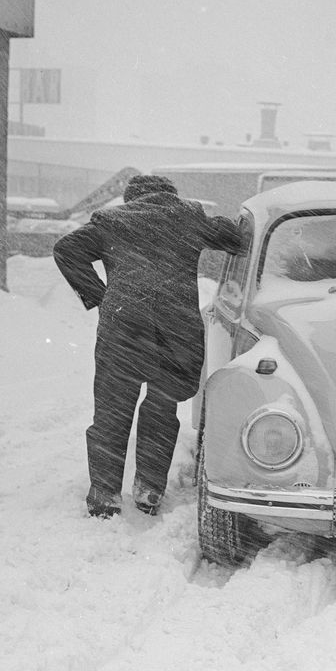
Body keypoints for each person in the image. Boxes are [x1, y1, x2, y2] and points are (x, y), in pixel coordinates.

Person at [53, 174, 244, 518]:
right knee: (161, 405)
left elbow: (65, 250)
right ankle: (149, 488)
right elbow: (234, 238)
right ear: (171, 196)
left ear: (131, 198)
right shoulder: (188, 218)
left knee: (112, 409)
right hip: (176, 327)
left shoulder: (113, 221)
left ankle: (105, 493)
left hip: (125, 325)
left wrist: (101, 296)